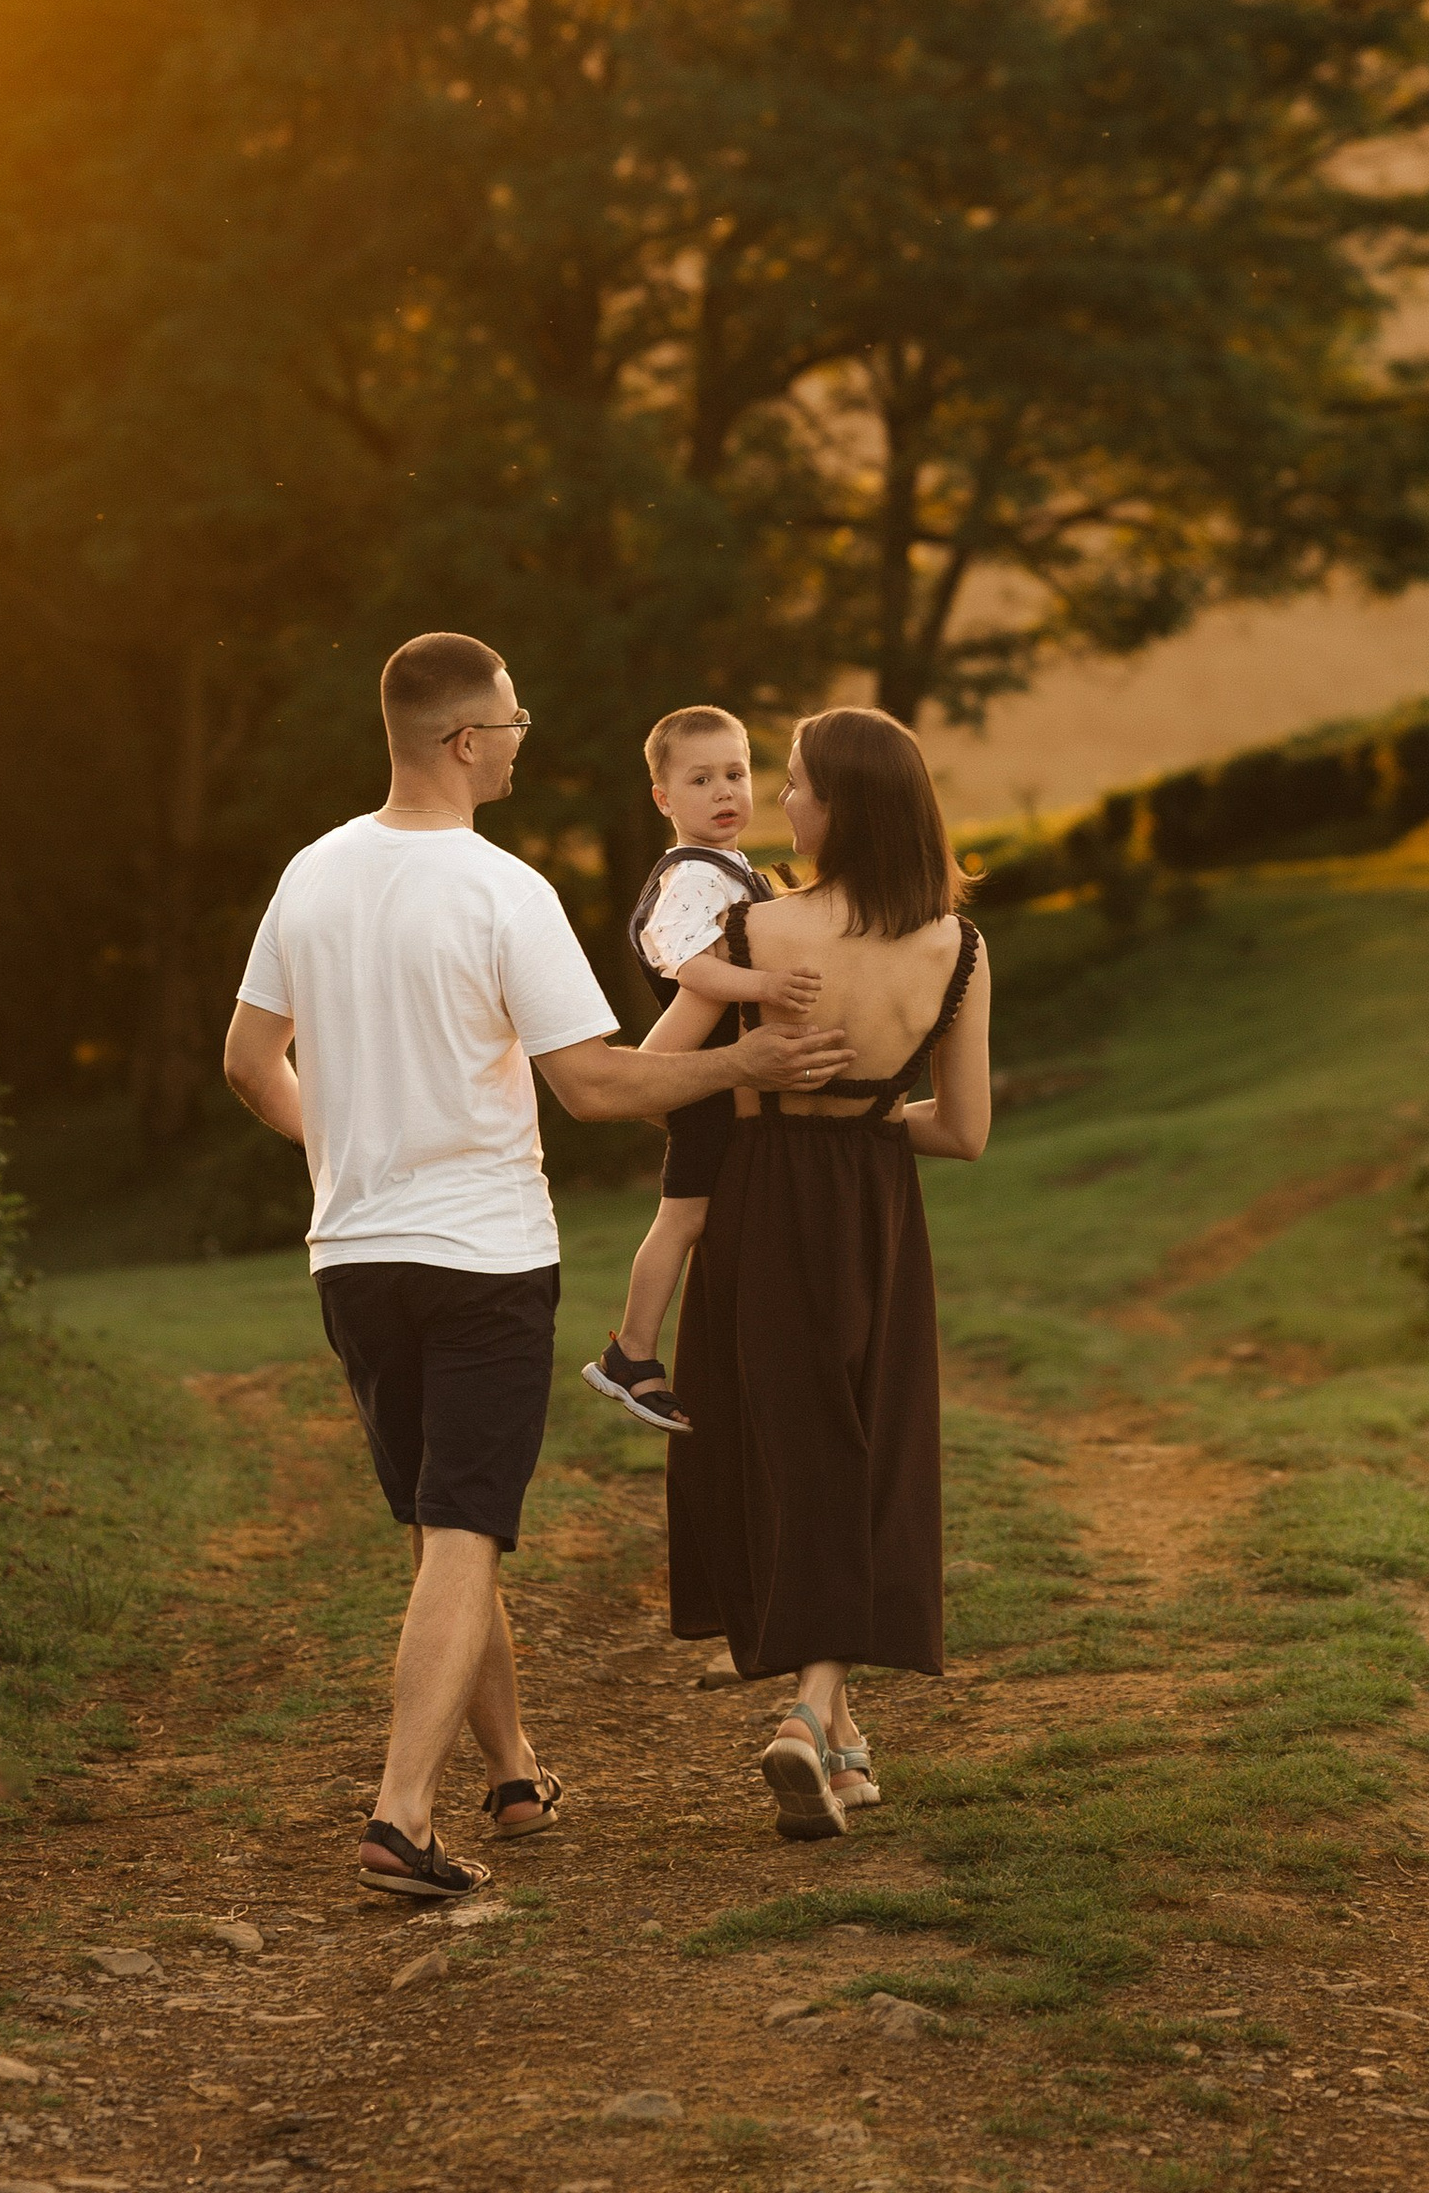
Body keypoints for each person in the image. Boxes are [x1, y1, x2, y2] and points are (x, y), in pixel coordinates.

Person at [222, 631, 855, 1905]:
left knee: (442, 1524)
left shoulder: (312, 869)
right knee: (464, 1526)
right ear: (467, 741)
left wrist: (342, 1150)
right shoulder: (503, 888)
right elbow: (595, 1082)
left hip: (352, 1254)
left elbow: (248, 1059)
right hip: (484, 1257)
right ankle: (401, 1815)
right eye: (512, 719)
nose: (523, 735)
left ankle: (509, 1769)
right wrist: (745, 1066)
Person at [661, 703, 994, 1839]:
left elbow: (658, 1076)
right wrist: (865, 1121)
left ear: (841, 804)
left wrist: (750, 1072)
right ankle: (842, 1738)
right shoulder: (958, 944)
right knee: (862, 1444)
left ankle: (806, 1713)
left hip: (761, 1200)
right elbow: (963, 1130)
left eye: (796, 781)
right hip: (875, 1206)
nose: (780, 799)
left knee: (793, 1447)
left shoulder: (755, 931)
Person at [581, 706, 818, 1439]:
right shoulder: (690, 876)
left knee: (709, 1217)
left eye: (738, 774)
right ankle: (631, 1353)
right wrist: (766, 989)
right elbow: (685, 962)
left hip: (720, 1075)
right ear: (663, 799)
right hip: (702, 1077)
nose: (725, 791)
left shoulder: (732, 869)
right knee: (681, 1217)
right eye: (701, 778)